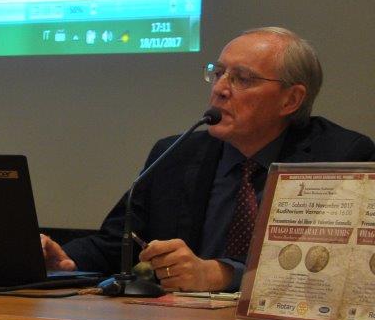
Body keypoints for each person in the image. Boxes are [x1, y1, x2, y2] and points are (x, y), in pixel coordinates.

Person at [42, 27, 375, 292]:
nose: (220, 89)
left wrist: (222, 274)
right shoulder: (177, 153)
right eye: (218, 73)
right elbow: (118, 244)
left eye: (242, 79)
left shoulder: (340, 158)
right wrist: (64, 258)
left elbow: (330, 265)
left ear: (291, 100)